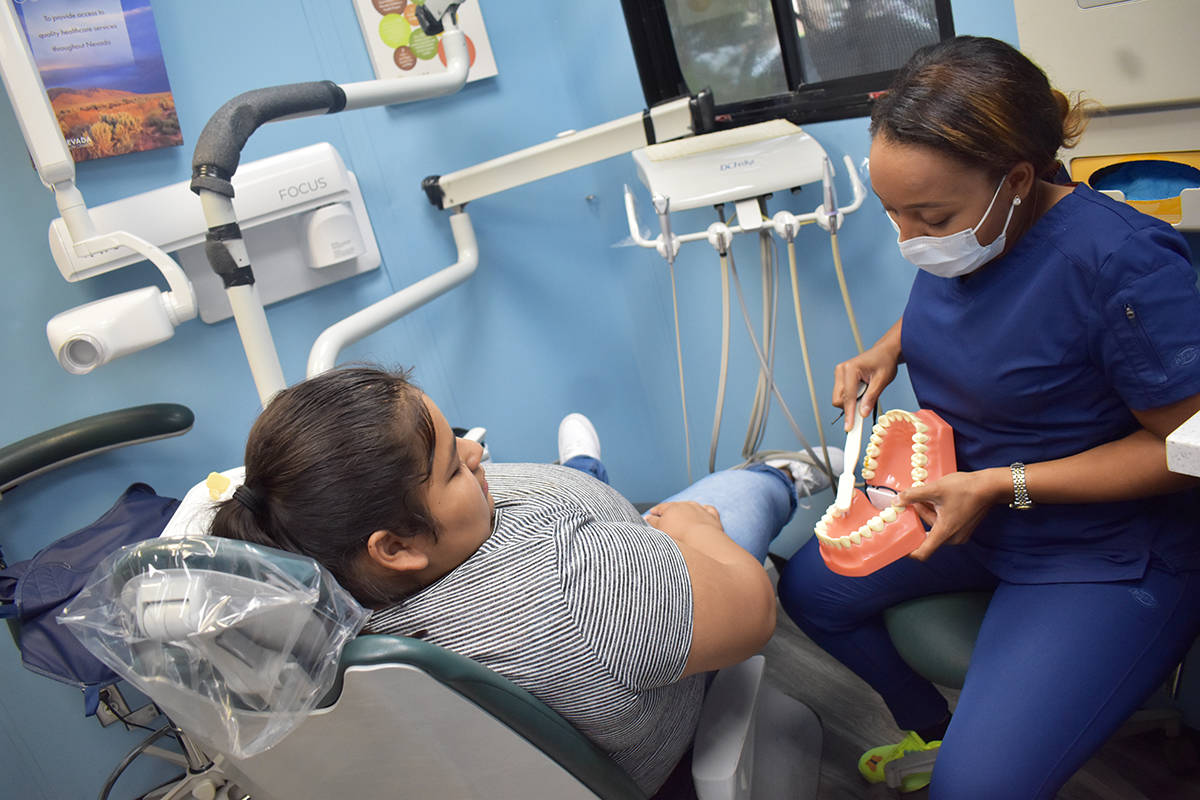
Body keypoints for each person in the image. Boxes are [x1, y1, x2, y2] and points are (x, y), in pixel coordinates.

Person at [777, 36, 1200, 799]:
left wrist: (1002, 484)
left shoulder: (1120, 264)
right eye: (891, 214)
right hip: (967, 504)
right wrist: (886, 350)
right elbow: (970, 307)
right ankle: (939, 736)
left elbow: (1188, 449)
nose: (909, 239)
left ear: (1015, 179)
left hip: (1102, 550)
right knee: (809, 593)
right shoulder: (970, 237)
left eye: (929, 215)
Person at [209, 365, 830, 794]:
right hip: (643, 595)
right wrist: (698, 534)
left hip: (598, 568)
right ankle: (788, 476)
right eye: (454, 466)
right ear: (395, 546)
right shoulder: (577, 590)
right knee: (732, 498)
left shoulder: (313, 592)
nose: (477, 452)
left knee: (593, 491)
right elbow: (752, 611)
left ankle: (585, 472)